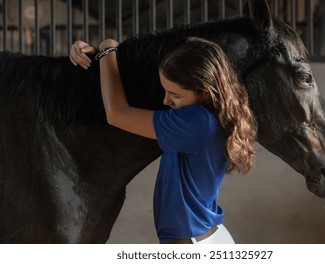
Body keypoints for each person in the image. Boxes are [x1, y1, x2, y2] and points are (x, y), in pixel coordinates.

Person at [69, 37, 257, 244]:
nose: (165, 101)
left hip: (192, 245)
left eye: (174, 95)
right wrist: (100, 59)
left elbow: (117, 114)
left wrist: (107, 48)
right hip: (206, 238)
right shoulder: (212, 113)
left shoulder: (196, 122)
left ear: (204, 91)